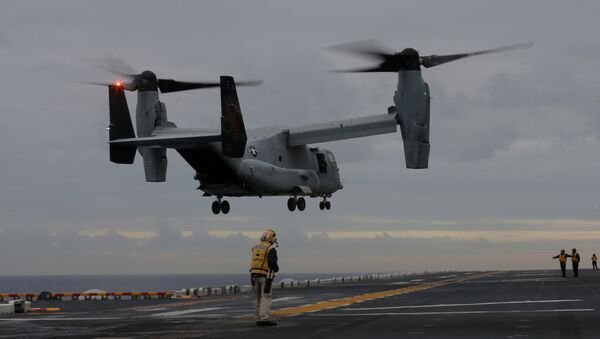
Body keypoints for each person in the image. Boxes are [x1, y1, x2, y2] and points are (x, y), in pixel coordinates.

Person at [249, 229, 279, 326]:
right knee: (266, 297)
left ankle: (258, 316)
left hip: (253, 275)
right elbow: (272, 263)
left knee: (258, 297)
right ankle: (264, 319)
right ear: (272, 238)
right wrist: (276, 268)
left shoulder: (255, 247)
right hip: (265, 276)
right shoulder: (270, 248)